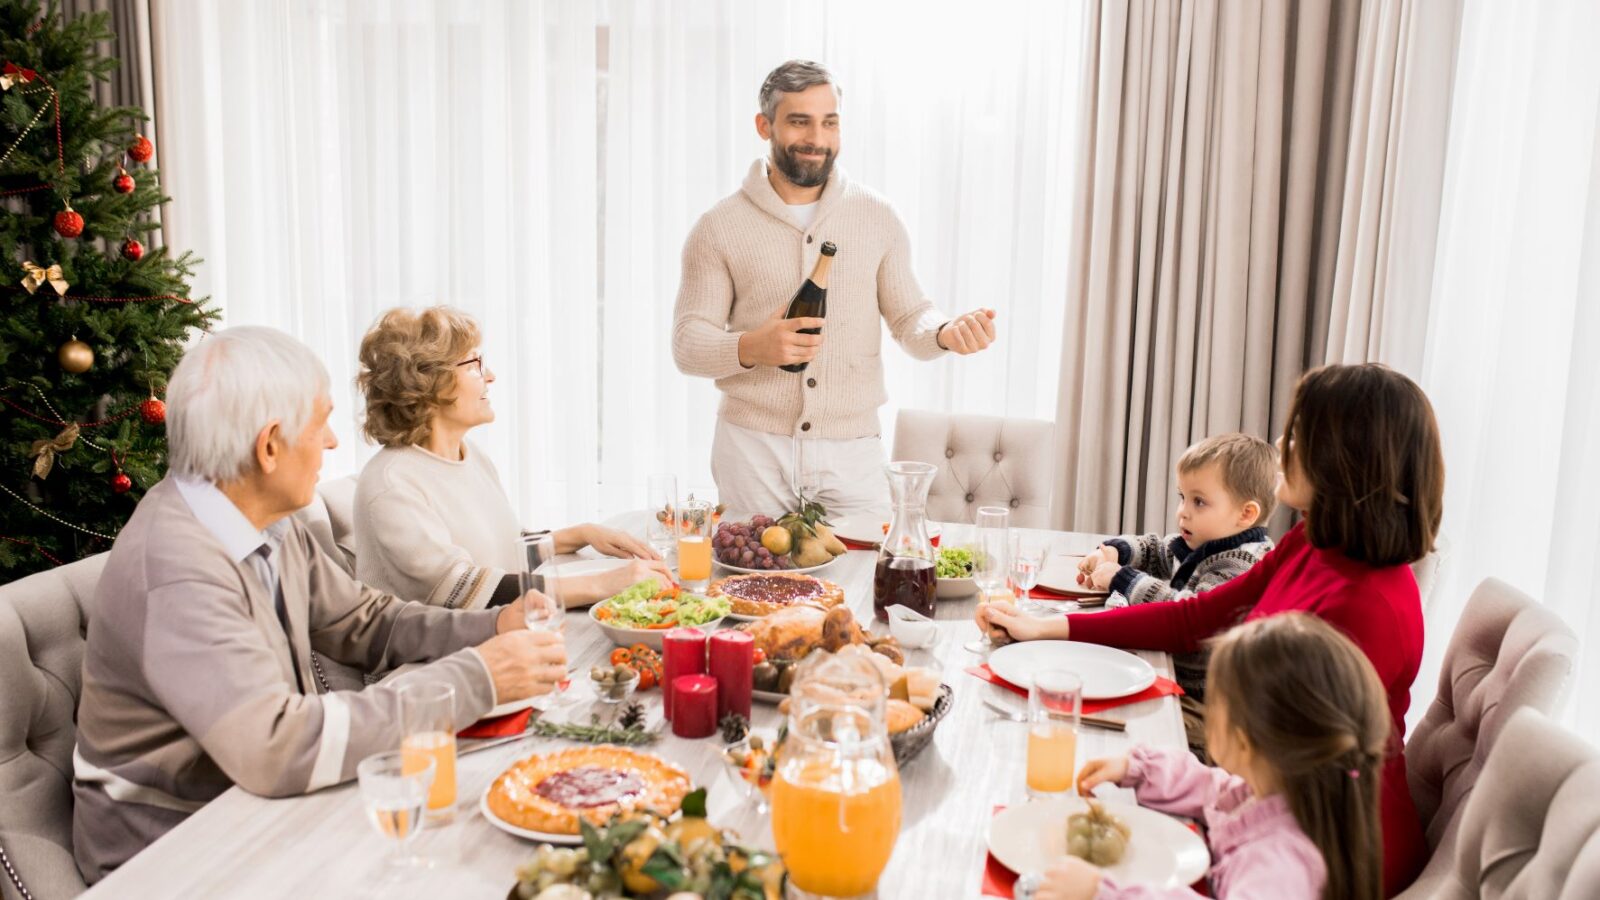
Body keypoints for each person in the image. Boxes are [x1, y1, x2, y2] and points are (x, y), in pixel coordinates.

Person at [73, 327, 567, 882]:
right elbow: (275, 747)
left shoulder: (264, 521)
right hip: (172, 854)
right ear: (269, 446)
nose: (332, 442)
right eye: (321, 423)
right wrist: (478, 677)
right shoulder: (178, 568)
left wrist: (494, 624)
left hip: (252, 810)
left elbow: (364, 622)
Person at [979, 363, 1444, 895]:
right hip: (1265, 803)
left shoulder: (1369, 607)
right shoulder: (1313, 540)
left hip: (1332, 853)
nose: (1280, 442)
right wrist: (1051, 627)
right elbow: (1195, 617)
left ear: (1344, 457)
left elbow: (1309, 779)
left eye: (1298, 432)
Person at [672, 59, 998, 519]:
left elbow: (911, 317)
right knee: (755, 587)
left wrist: (945, 330)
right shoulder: (718, 226)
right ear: (764, 125)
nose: (817, 139)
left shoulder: (877, 216)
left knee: (870, 586)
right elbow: (687, 344)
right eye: (799, 121)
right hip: (752, 452)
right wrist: (750, 346)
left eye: (830, 122)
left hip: (853, 454)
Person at [1033, 613, 1390, 900]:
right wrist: (1138, 768)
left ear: (1243, 741)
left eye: (1215, 701)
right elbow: (1211, 785)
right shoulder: (1276, 791)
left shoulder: (1280, 867)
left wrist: (1103, 892)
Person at [353, 306, 671, 610]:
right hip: (427, 659)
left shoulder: (469, 455)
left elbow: (506, 544)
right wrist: (604, 584)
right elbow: (458, 589)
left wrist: (584, 533)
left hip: (492, 631)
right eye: (474, 364)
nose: (489, 375)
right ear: (428, 381)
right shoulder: (392, 483)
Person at [1077, 432, 1277, 608]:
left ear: (1246, 514)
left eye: (1198, 502)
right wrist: (1115, 552)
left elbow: (1187, 613)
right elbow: (1154, 551)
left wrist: (1122, 579)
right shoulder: (1203, 543)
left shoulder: (1241, 566)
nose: (1183, 512)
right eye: (1183, 498)